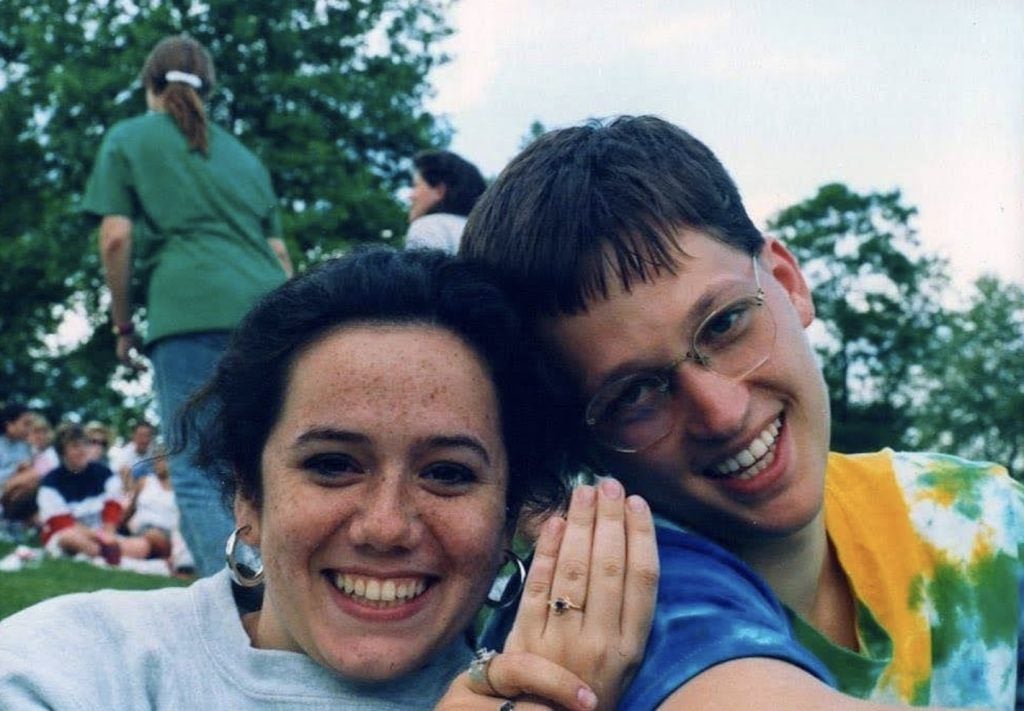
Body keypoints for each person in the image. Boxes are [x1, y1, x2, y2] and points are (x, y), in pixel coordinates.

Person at [463, 115, 1024, 709]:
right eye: (633, 394)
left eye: (727, 323)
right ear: (579, 440)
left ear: (788, 281)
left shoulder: (977, 514)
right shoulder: (619, 613)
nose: (723, 412)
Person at [0, 248, 658, 710]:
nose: (386, 525)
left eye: (448, 473)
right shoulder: (74, 665)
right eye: (333, 463)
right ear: (247, 492)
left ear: (510, 508)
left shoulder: (596, 685)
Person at [82, 34, 294, 576]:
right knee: (265, 463)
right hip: (271, 313)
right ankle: (291, 599)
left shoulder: (129, 138)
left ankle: (241, 606)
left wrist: (123, 322)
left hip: (188, 312)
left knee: (197, 467)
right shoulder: (245, 157)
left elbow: (115, 238)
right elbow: (278, 252)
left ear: (150, 85)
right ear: (211, 89)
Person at [35, 423, 156, 564]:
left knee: (143, 546)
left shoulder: (104, 473)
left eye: (84, 445)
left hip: (103, 533)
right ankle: (110, 556)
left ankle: (104, 555)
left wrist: (108, 534)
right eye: (75, 447)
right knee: (70, 539)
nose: (82, 451)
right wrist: (101, 537)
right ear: (63, 452)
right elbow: (61, 522)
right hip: (72, 534)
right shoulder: (51, 482)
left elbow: (113, 506)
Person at [405, 150, 487, 254]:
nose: (410, 196)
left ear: (439, 191)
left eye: (415, 185)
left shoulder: (429, 226)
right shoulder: (485, 233)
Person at [0, 403, 36, 527]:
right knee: (32, 475)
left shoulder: (25, 446)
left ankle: (15, 523)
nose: (29, 429)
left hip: (13, 492)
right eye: (26, 424)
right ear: (9, 425)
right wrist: (16, 470)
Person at [110, 420, 155, 491]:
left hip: (150, 492)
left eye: (147, 435)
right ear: (134, 436)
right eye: (140, 435)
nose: (144, 440)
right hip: (129, 492)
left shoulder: (155, 452)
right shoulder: (124, 454)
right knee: (124, 470)